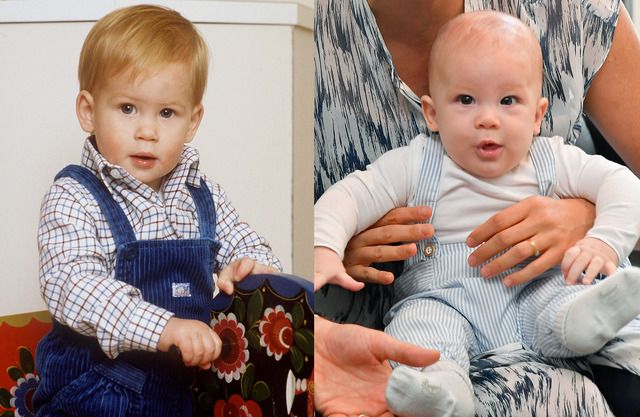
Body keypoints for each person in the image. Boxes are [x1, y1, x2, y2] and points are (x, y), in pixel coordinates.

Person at [314, 0, 640, 415]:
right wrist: (326, 247)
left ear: (538, 115)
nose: (488, 118)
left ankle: (584, 320)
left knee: (568, 292)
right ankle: (442, 390)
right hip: (444, 297)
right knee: (422, 330)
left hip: (534, 286)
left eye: (508, 101)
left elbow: (622, 183)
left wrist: (602, 238)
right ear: (431, 113)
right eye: (466, 100)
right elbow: (349, 196)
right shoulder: (416, 162)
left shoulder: (552, 159)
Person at [33, 5, 281, 416]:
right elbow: (72, 286)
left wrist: (252, 270)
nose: (147, 131)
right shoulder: (73, 197)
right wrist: (164, 327)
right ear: (88, 112)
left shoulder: (203, 196)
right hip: (93, 396)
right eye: (128, 108)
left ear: (192, 121)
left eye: (167, 113)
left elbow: (249, 244)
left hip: (181, 393)